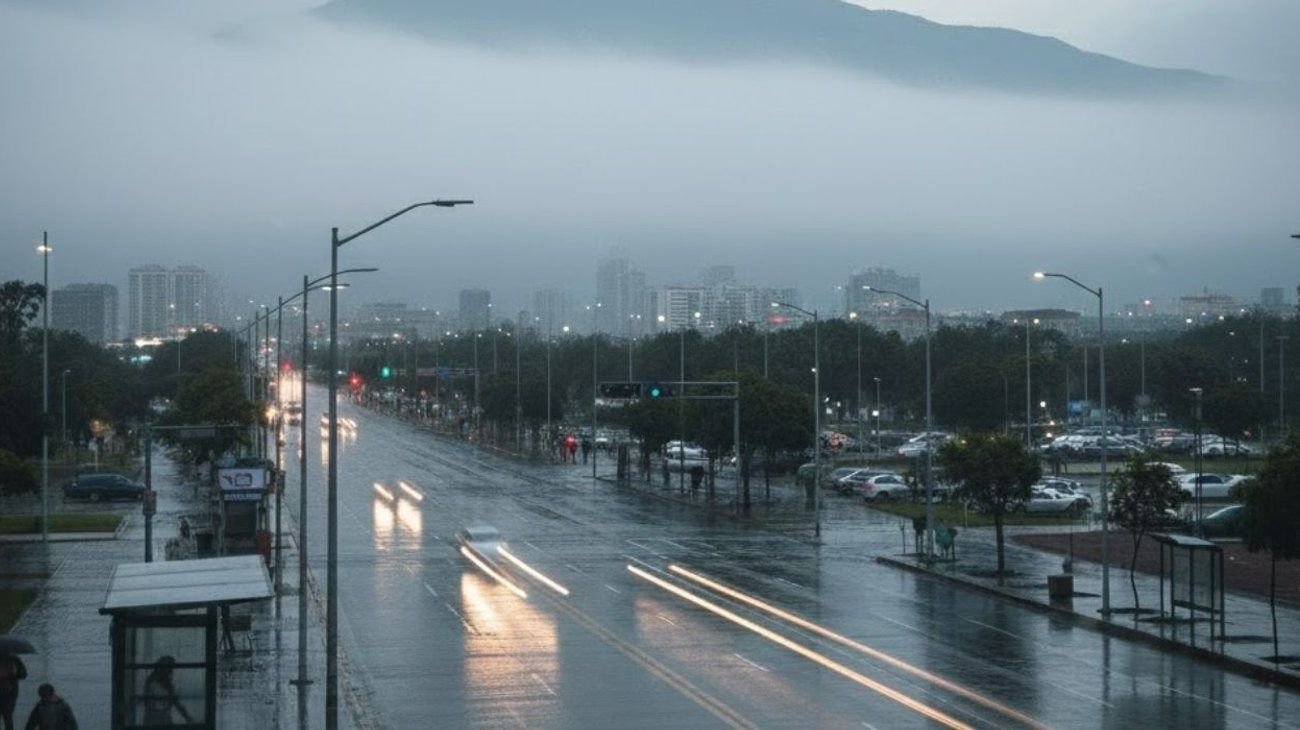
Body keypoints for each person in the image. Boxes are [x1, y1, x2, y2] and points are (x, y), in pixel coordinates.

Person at [141, 656, 193, 726]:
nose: (171, 671)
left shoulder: (167, 685)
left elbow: (176, 702)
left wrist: (187, 717)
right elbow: (153, 705)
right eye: (169, 668)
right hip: (155, 722)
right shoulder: (153, 684)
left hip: (161, 721)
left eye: (171, 669)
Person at [0, 652, 27, 730]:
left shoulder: (15, 660)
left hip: (9, 694)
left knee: (8, 717)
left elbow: (23, 675)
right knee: (8, 718)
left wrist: (15, 672)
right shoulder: (14, 659)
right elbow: (23, 675)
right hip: (10, 693)